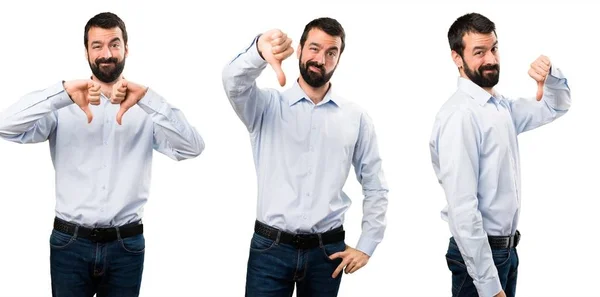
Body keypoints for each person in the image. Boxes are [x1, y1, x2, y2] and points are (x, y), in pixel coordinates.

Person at [0, 12, 204, 297]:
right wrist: (61, 93)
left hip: (126, 245)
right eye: (97, 46)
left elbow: (192, 147)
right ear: (86, 51)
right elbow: (5, 126)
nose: (106, 54)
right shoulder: (61, 106)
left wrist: (148, 98)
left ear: (126, 49)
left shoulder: (147, 110)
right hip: (69, 243)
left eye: (114, 44)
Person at [222, 17, 389, 296]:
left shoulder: (355, 117)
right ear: (299, 49)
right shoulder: (265, 107)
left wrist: (367, 244)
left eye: (330, 52)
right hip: (270, 250)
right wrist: (259, 52)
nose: (320, 59)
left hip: (327, 254)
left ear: (338, 59)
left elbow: (375, 185)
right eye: (314, 48)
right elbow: (232, 82)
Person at [429, 12, 571, 297]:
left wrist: (551, 77)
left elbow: (555, 107)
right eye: (479, 52)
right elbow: (463, 209)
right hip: (480, 258)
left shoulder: (499, 107)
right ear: (457, 58)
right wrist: (488, 285)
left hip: (506, 253)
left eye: (493, 48)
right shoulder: (460, 116)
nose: (491, 59)